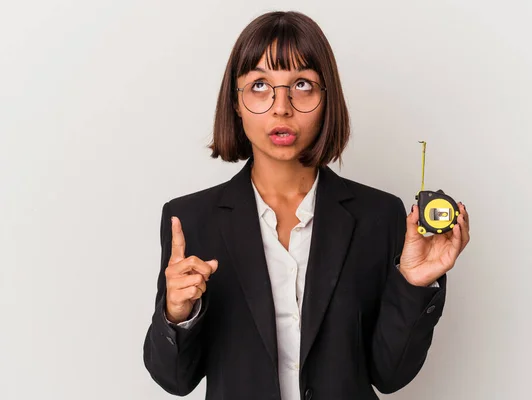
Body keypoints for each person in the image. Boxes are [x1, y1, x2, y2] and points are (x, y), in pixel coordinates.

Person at [143, 10, 470, 400]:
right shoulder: (191, 220)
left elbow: (389, 374)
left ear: (326, 97)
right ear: (236, 102)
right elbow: (175, 380)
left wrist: (414, 284)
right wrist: (177, 314)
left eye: (302, 84)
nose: (282, 107)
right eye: (260, 85)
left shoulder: (378, 216)